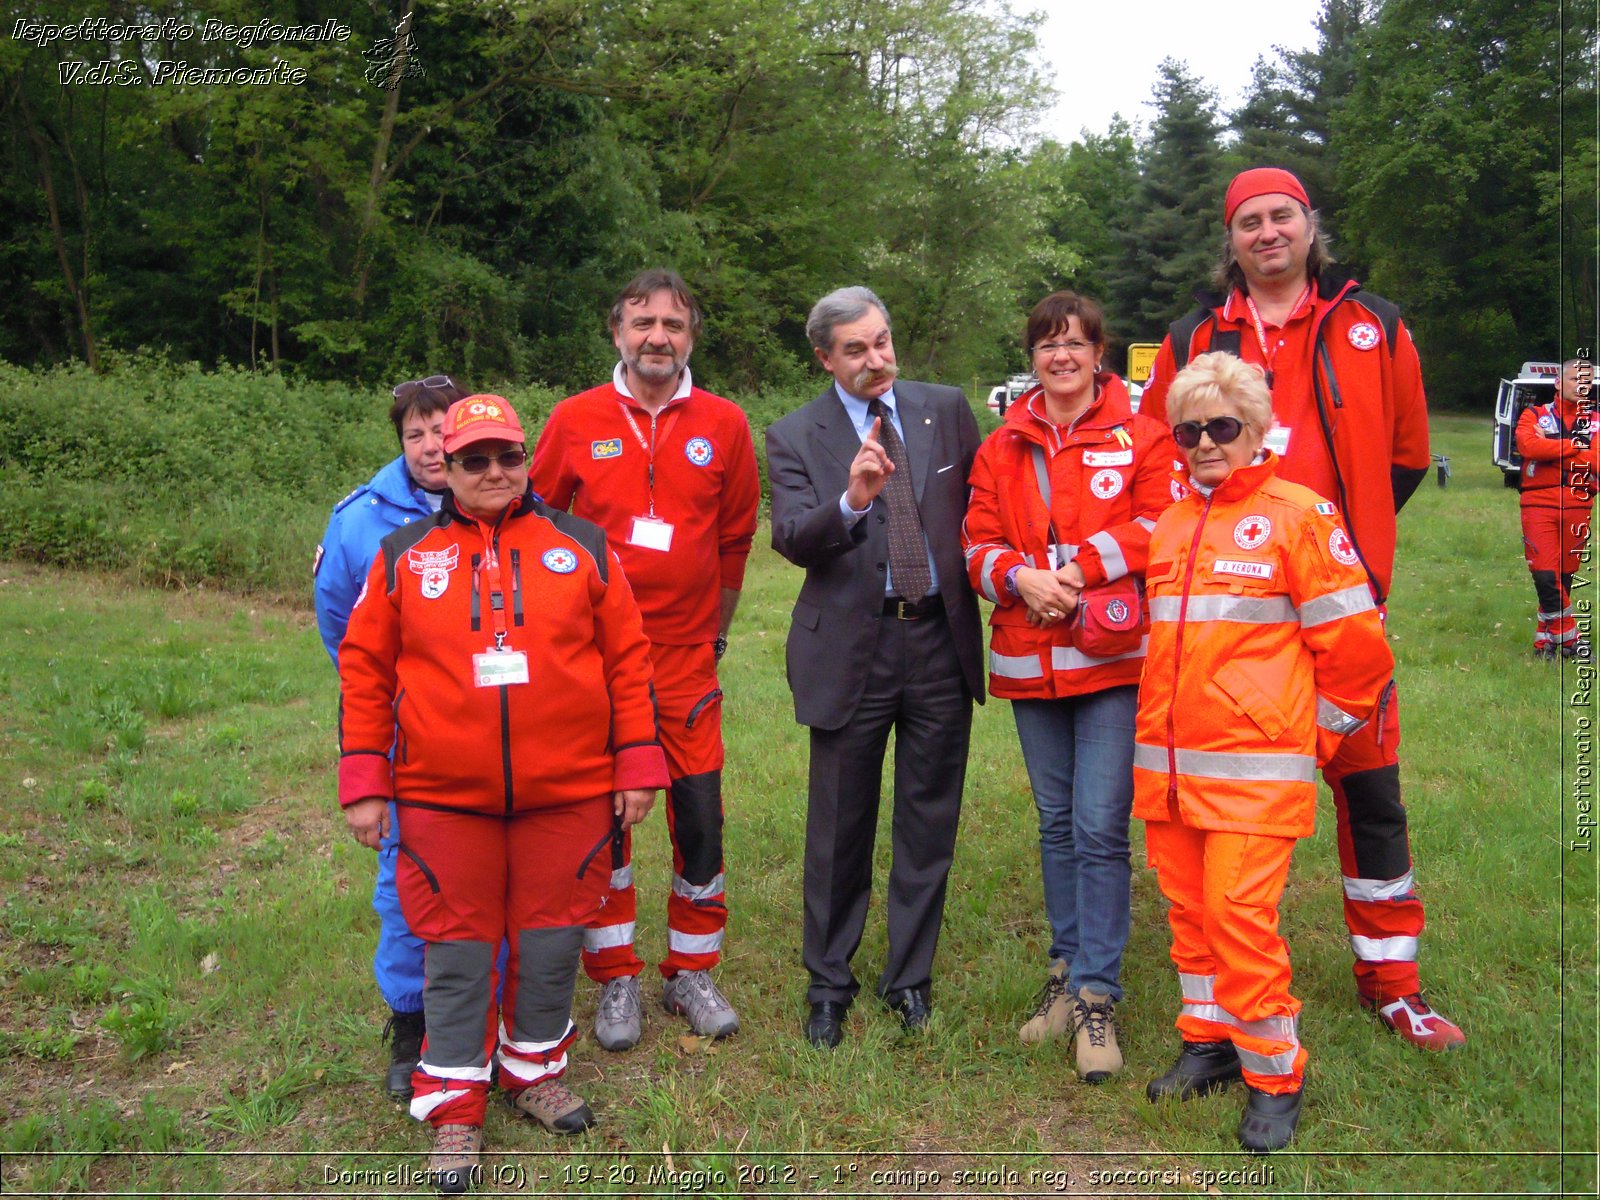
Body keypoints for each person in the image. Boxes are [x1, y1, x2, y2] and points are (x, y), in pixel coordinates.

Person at [1141, 166, 1464, 1050]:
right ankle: (1221, 994)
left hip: (1335, 605)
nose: (1268, 232)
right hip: (1228, 632)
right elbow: (1158, 461)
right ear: (1231, 240)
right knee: (1223, 813)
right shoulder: (1193, 336)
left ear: (1309, 226)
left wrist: (1327, 548)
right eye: (1249, 221)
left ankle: (1392, 981)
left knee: (1372, 799)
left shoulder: (1374, 325)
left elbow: (1402, 461)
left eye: (1282, 216)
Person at [337, 394, 668, 1191]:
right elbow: (363, 671)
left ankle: (533, 1072)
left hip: (569, 793)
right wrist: (363, 783)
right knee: (457, 950)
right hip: (443, 798)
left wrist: (636, 766)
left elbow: (628, 660)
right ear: (444, 468)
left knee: (553, 940)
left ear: (527, 462)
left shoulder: (582, 545)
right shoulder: (403, 554)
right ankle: (453, 1104)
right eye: (473, 459)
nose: (493, 472)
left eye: (507, 457)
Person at [1136, 351, 1395, 1153]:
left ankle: (1275, 1075)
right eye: (1189, 430)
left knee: (1238, 918)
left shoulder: (1300, 515)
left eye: (1222, 427)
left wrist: (1308, 736)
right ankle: (1208, 1043)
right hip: (1171, 773)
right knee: (1190, 917)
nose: (1205, 444)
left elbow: (1358, 652)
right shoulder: (1174, 523)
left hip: (1256, 773)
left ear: (1255, 430)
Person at [530, 269, 759, 1050]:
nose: (657, 336)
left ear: (691, 335)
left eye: (673, 324)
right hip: (592, 666)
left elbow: (734, 542)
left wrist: (711, 633)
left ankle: (691, 970)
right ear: (616, 332)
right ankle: (616, 976)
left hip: (686, 661)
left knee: (700, 818)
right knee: (604, 825)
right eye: (642, 322)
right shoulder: (574, 419)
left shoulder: (725, 424)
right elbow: (538, 529)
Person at [961, 291, 1174, 1081]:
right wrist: (1018, 575)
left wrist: (1077, 569)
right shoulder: (1001, 447)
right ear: (1032, 358)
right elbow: (975, 540)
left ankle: (1097, 995)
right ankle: (1064, 969)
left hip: (1111, 660)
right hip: (1028, 656)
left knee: (1096, 824)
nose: (1061, 357)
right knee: (1055, 824)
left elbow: (1157, 524)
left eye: (1075, 343)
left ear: (1098, 353)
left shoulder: (1144, 436)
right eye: (1047, 344)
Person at [766, 285, 985, 1049]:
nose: (876, 360)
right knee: (839, 821)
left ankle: (910, 978)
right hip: (849, 646)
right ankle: (829, 982)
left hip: (935, 640)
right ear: (825, 358)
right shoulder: (795, 434)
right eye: (855, 350)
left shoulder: (946, 407)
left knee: (929, 817)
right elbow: (793, 536)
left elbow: (985, 507)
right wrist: (853, 501)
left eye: (882, 342)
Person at [313, 373, 466, 1101]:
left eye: (443, 430)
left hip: (491, 736)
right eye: (416, 434)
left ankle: (484, 1014)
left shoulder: (505, 498)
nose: (432, 446)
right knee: (407, 881)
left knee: (489, 878)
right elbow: (343, 638)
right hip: (406, 739)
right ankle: (410, 1022)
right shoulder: (358, 521)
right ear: (399, 442)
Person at [1516, 358, 1596, 660]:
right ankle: (1570, 640)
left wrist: (1550, 447)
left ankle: (1544, 643)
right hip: (1538, 503)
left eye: (1586, 381)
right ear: (1559, 383)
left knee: (1564, 578)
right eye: (1575, 379)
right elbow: (1528, 447)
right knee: (1545, 576)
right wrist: (1577, 447)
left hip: (1579, 504)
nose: (1581, 385)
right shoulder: (1533, 414)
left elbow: (1596, 461)